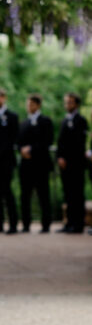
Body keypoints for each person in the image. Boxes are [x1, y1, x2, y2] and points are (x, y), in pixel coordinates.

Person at [17, 95, 54, 234]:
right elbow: (18, 141)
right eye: (27, 104)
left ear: (38, 105)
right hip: (26, 166)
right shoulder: (24, 123)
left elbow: (48, 141)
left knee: (43, 195)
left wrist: (31, 149)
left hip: (41, 165)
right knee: (25, 196)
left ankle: (46, 225)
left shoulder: (46, 121)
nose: (29, 107)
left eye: (31, 104)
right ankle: (26, 224)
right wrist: (22, 149)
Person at [56, 92, 88, 233]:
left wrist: (68, 158)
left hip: (76, 164)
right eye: (66, 102)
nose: (67, 105)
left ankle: (78, 224)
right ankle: (69, 222)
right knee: (68, 194)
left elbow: (78, 144)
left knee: (77, 194)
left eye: (69, 102)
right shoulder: (64, 120)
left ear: (76, 104)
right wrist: (60, 157)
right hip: (65, 165)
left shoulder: (81, 121)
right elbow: (60, 142)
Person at [0, 88, 19, 234]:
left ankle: (13, 224)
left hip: (6, 161)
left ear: (3, 98)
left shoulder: (12, 116)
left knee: (7, 192)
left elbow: (14, 138)